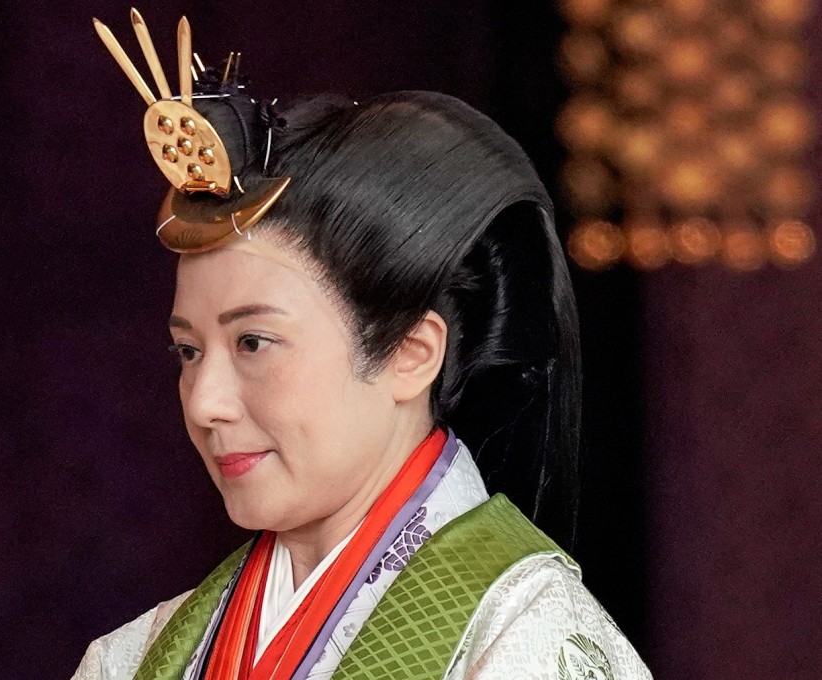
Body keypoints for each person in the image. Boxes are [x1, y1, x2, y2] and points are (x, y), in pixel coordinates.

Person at [75, 10, 651, 680]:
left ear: (411, 352)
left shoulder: (528, 640)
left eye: (254, 342)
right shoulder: (133, 659)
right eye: (189, 352)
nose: (205, 404)